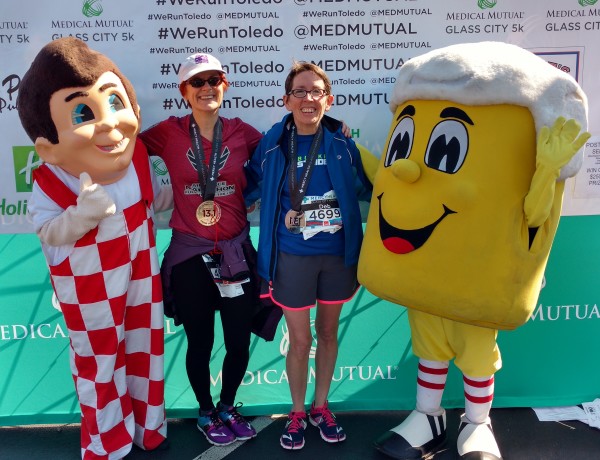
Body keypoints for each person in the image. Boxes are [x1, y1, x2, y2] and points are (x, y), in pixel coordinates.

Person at [357, 41, 590, 459]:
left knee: (477, 356)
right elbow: (388, 178)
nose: (409, 169)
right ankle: (427, 417)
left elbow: (534, 215)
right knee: (430, 351)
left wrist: (548, 171)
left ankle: (476, 423)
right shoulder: (401, 171)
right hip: (421, 275)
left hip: (474, 280)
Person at [18, 37, 169, 459]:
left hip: (141, 272)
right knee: (100, 361)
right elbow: (48, 231)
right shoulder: (52, 178)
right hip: (89, 286)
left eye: (115, 103)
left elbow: (158, 201)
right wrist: (82, 216)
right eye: (83, 112)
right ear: (47, 146)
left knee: (147, 346)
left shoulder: (139, 155)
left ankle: (148, 426)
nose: (109, 125)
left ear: (135, 110)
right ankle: (108, 440)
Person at [245, 61, 372, 450]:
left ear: (328, 100)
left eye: (315, 91)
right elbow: (247, 186)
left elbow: (370, 188)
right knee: (299, 342)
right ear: (286, 100)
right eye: (299, 91)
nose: (308, 98)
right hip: (292, 257)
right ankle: (298, 411)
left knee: (329, 332)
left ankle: (321, 406)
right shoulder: (272, 142)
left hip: (336, 256)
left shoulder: (342, 143)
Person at [138, 53, 262, 447]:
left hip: (235, 252)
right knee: (201, 341)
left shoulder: (244, 132)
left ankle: (228, 406)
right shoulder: (167, 133)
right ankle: (205, 411)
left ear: (225, 85)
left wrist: (330, 124)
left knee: (239, 339)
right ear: (184, 92)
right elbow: (125, 149)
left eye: (214, 79)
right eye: (198, 82)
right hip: (190, 255)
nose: (207, 87)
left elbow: (285, 152)